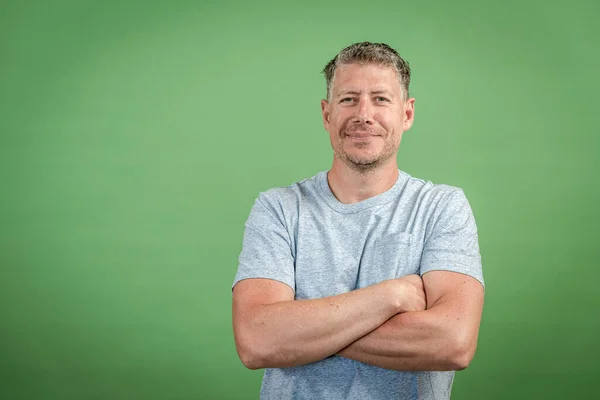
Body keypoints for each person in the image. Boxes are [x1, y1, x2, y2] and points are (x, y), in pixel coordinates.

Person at [231, 41, 485, 400]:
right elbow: (257, 340)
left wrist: (303, 330)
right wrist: (392, 296)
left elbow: (454, 342)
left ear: (407, 114)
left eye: (381, 99)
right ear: (326, 114)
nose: (363, 114)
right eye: (349, 99)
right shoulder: (279, 208)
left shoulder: (442, 207)